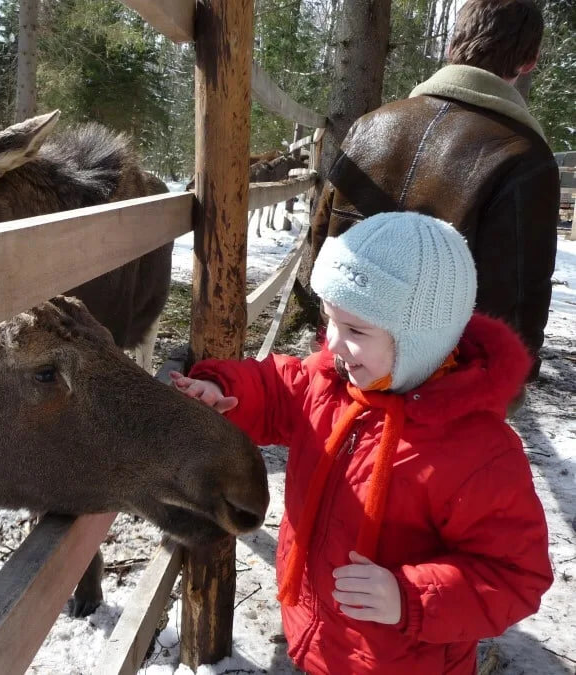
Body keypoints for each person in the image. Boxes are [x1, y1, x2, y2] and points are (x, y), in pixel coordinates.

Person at [172, 213, 552, 674]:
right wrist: (220, 389)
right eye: (330, 320)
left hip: (401, 661)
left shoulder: (479, 454)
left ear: (419, 342)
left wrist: (409, 597)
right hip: (317, 634)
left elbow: (515, 576)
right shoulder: (333, 382)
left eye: (356, 331)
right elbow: (276, 386)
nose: (334, 343)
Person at [308, 0, 560, 382]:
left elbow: (322, 237)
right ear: (530, 61)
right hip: (444, 387)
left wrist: (329, 334)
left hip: (349, 361)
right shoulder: (526, 157)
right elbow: (519, 294)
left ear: (450, 47)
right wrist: (508, 382)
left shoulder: (370, 125)